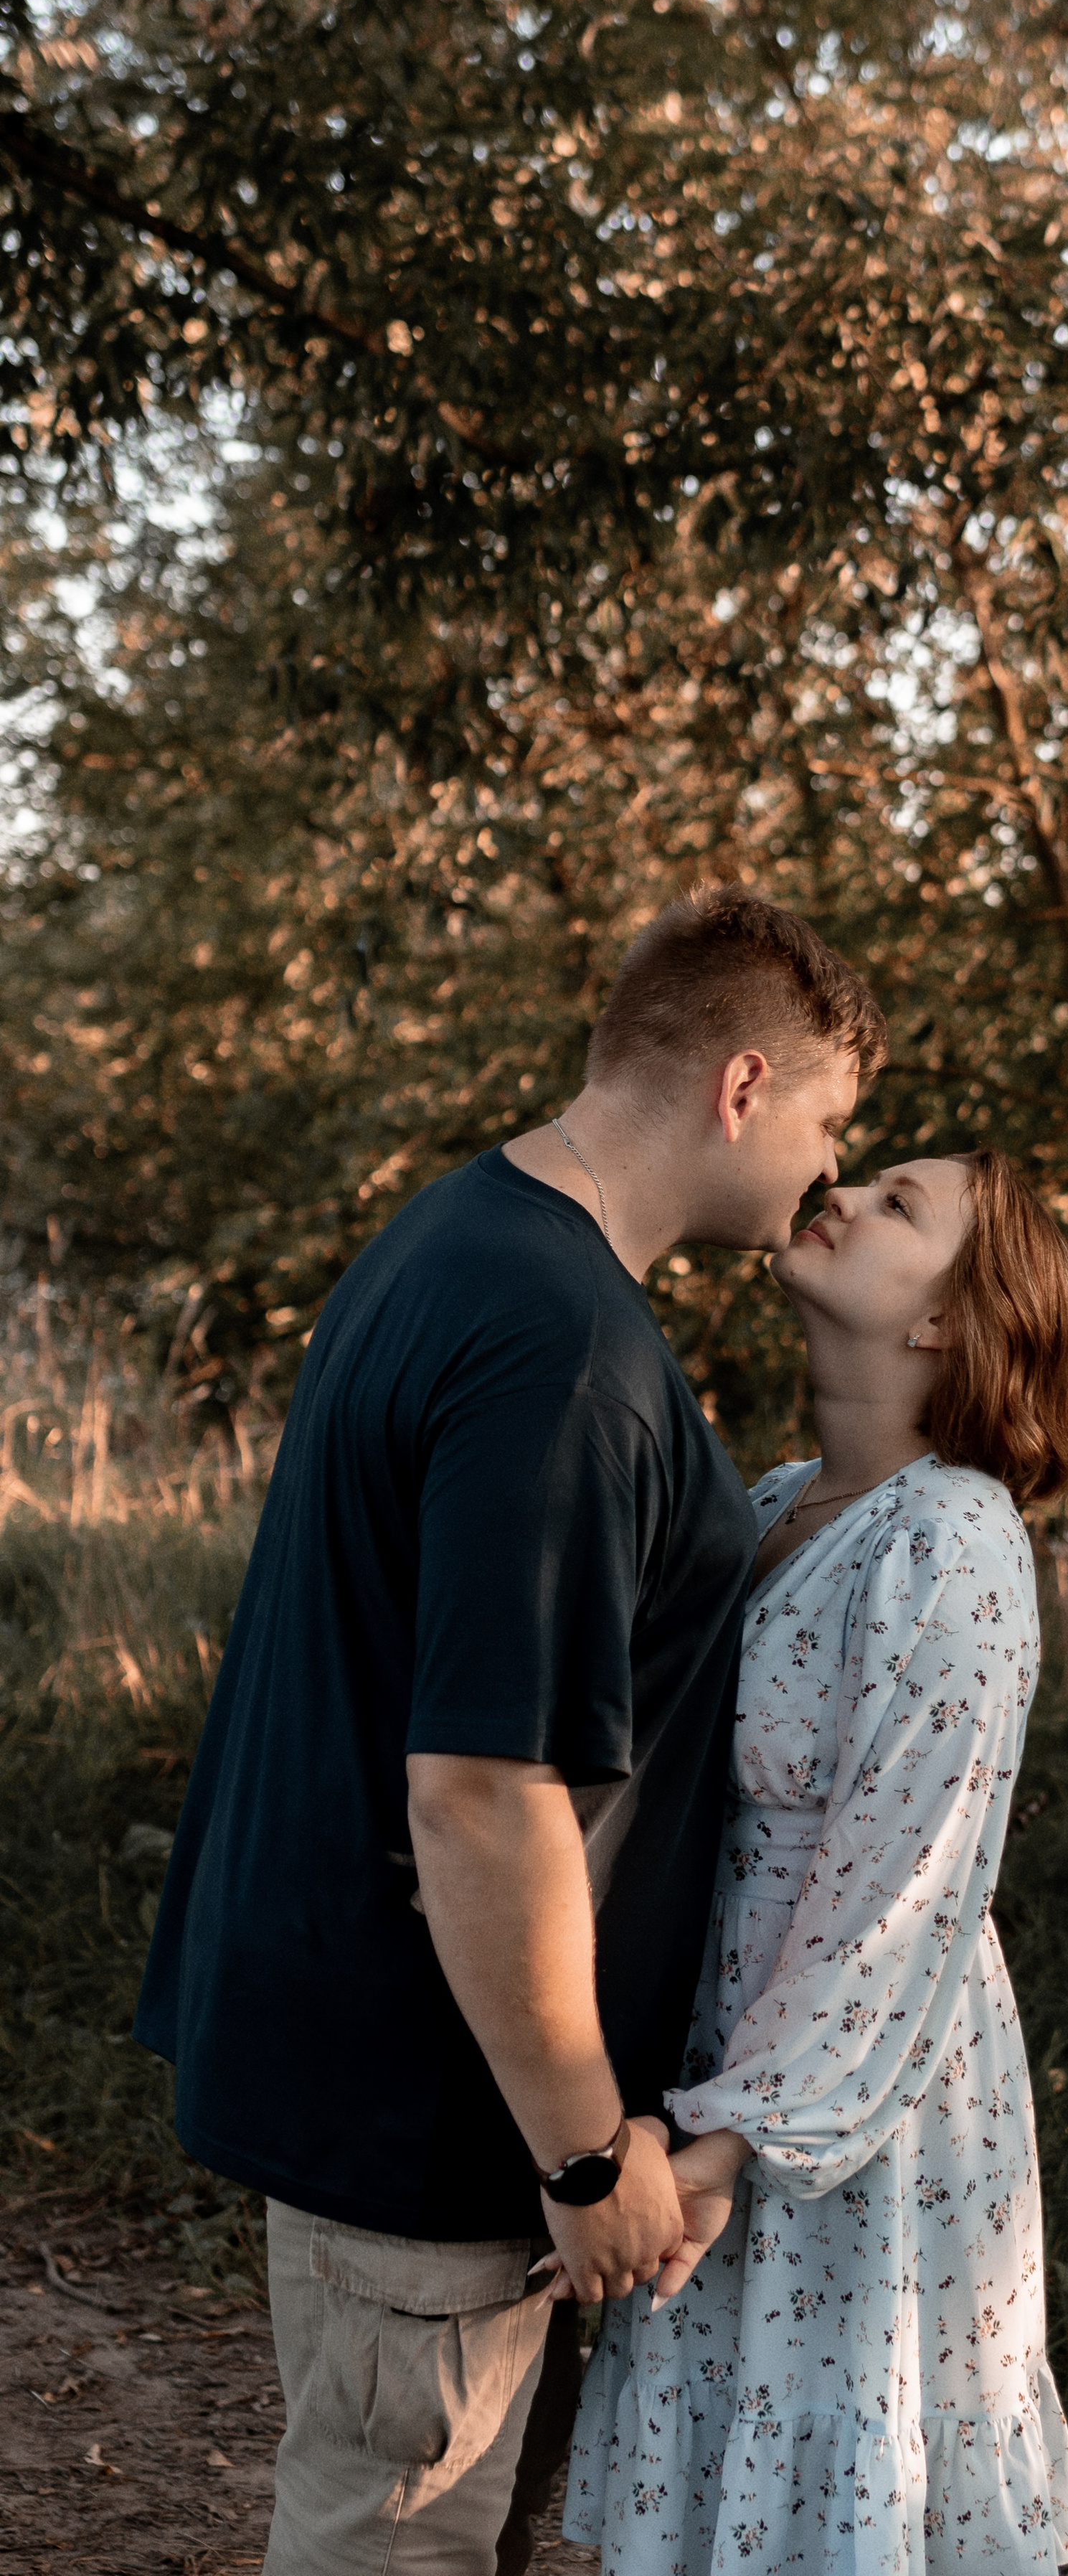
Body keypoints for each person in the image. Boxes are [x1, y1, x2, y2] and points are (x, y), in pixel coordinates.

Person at [134, 886, 886, 2576]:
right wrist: (581, 2141)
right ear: (744, 1086)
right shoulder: (560, 1346)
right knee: (389, 2545)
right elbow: (480, 1790)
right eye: (834, 1125)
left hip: (392, 2066)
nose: (829, 1176)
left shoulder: (461, 1234)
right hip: (434, 2113)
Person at [565, 1146, 1068, 2575]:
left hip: (857, 2108)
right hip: (731, 2053)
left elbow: (900, 1891)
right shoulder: (783, 1496)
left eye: (899, 1205)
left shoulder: (954, 1540)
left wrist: (737, 2142)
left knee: (835, 2489)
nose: (845, 1192)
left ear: (943, 1321)